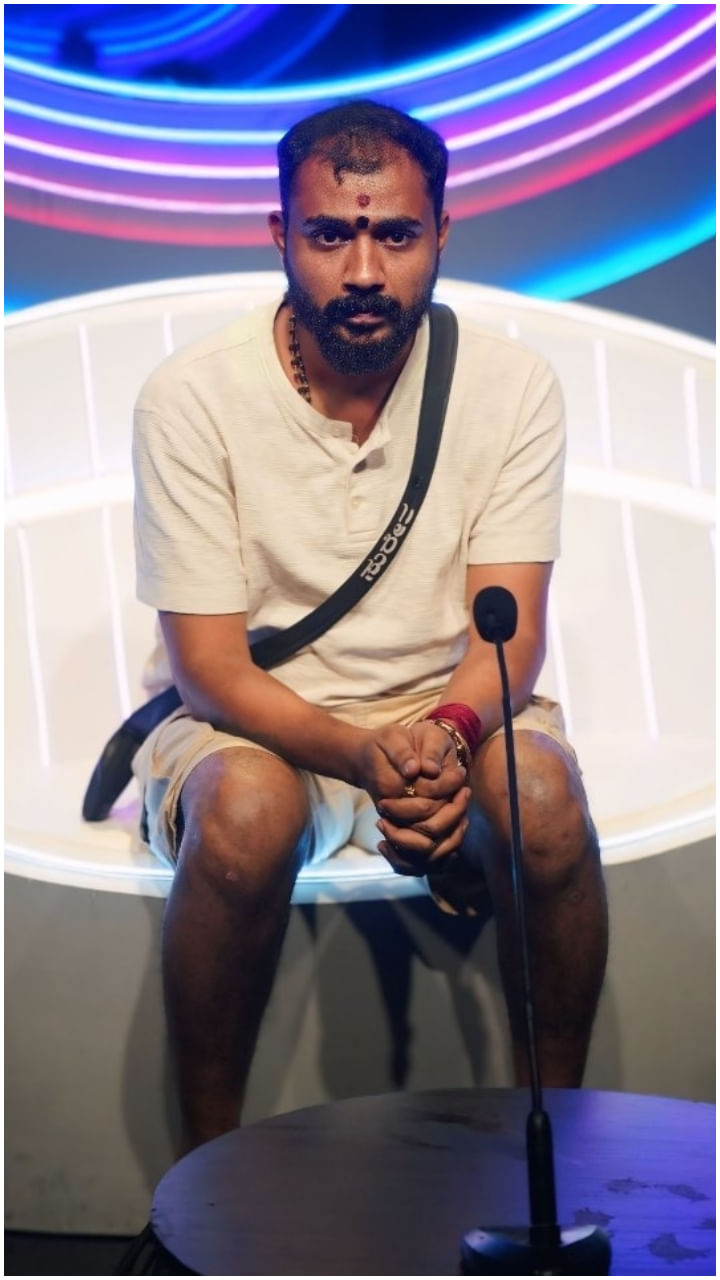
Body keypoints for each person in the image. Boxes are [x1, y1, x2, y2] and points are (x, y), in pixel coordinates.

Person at [131, 99, 608, 1153]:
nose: (362, 271)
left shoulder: (512, 385)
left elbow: (510, 636)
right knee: (246, 811)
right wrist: (363, 754)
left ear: (442, 234)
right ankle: (200, 1182)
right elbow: (209, 669)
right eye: (328, 234)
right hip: (256, 724)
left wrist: (441, 737)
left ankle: (557, 1157)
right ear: (280, 235)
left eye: (394, 235)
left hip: (448, 709)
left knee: (541, 796)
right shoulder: (190, 396)